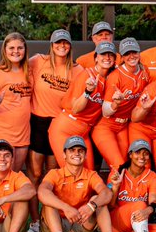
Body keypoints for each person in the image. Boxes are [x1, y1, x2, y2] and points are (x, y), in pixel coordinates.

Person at [39, 136, 127, 232]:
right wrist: (66, 207)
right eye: (72, 150)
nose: (76, 153)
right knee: (49, 201)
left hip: (78, 227)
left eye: (80, 151)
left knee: (98, 198)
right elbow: (42, 192)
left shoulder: (91, 175)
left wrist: (92, 206)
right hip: (53, 230)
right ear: (64, 155)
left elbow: (106, 193)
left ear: (85, 155)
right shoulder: (55, 174)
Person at [48, 41, 115, 169]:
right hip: (66, 128)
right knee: (72, 171)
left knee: (89, 172)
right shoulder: (87, 75)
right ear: (96, 58)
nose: (107, 58)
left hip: (84, 132)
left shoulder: (111, 78)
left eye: (110, 55)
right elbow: (76, 109)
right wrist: (87, 92)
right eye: (103, 55)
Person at [93, 38, 149, 171]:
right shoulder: (116, 76)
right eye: (127, 53)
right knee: (118, 165)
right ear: (122, 57)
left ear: (139, 53)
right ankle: (110, 192)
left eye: (134, 52)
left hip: (123, 126)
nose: (131, 56)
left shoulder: (144, 71)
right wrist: (116, 104)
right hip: (106, 125)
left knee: (124, 165)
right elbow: (106, 111)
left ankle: (115, 191)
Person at [0, 33, 32, 171]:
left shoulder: (29, 71)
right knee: (2, 176)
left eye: (20, 48)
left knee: (14, 176)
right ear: (4, 50)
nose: (16, 51)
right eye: (11, 48)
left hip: (22, 135)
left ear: (25, 49)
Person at [28, 29, 74, 183]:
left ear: (70, 46)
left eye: (66, 42)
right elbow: (15, 66)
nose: (62, 45)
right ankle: (33, 208)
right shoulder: (38, 61)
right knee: (34, 173)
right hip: (37, 122)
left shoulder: (77, 70)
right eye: (58, 42)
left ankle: (51, 207)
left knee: (53, 174)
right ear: (52, 45)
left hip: (59, 125)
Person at [107, 139, 156, 232]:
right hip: (117, 222)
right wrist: (115, 186)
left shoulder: (153, 176)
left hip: (138, 224)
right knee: (140, 205)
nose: (142, 156)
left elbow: (154, 200)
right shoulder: (118, 173)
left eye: (145, 153)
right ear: (130, 155)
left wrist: (148, 211)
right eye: (138, 152)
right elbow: (109, 206)